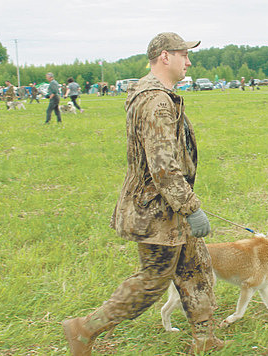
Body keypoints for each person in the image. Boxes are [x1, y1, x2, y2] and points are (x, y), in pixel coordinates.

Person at [62, 32, 229, 355]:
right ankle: (84, 329)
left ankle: (205, 336)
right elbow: (163, 167)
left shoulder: (160, 95)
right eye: (184, 55)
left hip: (171, 208)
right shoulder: (155, 101)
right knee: (153, 280)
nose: (189, 62)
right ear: (165, 57)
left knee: (195, 266)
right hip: (156, 211)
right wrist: (191, 208)